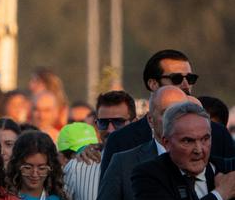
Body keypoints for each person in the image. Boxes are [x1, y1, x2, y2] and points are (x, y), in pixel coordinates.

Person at [100, 49, 234, 176]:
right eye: (176, 78)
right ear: (153, 84)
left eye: (190, 78)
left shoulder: (217, 134)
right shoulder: (122, 141)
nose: (186, 85)